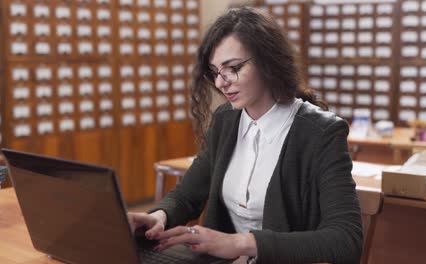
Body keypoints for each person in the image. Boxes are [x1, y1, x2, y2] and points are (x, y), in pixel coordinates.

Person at [128, 6, 362, 264]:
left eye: (234, 68)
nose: (220, 83)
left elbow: (346, 239)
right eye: (215, 72)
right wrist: (159, 217)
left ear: (268, 61)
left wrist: (241, 243)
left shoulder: (321, 132)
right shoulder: (226, 121)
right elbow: (187, 195)